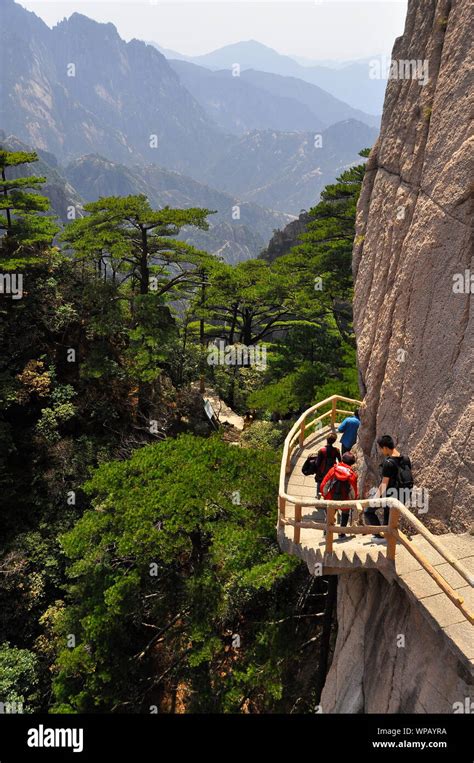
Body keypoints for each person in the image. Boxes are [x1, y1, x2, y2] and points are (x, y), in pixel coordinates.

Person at [364, 435, 413, 539]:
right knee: (388, 518)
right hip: (403, 494)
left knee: (368, 511)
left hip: (390, 494)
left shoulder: (388, 462)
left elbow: (384, 483)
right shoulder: (406, 458)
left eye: (381, 448)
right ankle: (387, 536)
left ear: (385, 447)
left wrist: (375, 498)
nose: (381, 451)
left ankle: (380, 536)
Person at [321, 452, 358, 537]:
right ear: (352, 463)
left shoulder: (333, 470)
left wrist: (325, 495)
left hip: (331, 497)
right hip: (345, 498)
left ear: (342, 459)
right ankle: (342, 533)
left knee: (330, 515)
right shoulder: (352, 475)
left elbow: (325, 483)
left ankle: (327, 533)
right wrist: (352, 501)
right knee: (345, 514)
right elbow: (353, 491)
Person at [313, 432, 341, 498]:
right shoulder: (336, 450)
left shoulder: (321, 451)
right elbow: (340, 461)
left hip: (321, 471)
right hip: (331, 470)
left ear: (326, 440)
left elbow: (317, 463)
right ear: (334, 441)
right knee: (330, 482)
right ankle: (327, 496)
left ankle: (318, 495)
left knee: (320, 482)